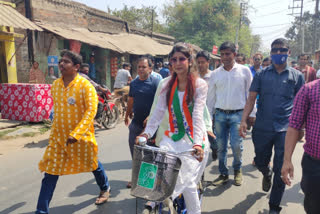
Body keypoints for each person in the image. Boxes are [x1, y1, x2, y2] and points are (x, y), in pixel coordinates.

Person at [35, 50, 111, 214]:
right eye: (61, 61)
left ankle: (105, 188)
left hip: (81, 138)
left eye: (66, 62)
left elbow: (91, 112)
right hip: (58, 138)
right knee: (50, 173)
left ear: (76, 67)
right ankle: (41, 211)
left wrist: (76, 134)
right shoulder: (55, 85)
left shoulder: (85, 86)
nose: (61, 64)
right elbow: (57, 109)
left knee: (93, 164)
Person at [137, 43, 209, 214]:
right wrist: (146, 134)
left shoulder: (199, 85)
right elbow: (158, 113)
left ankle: (180, 206)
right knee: (162, 167)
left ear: (189, 61)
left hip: (194, 140)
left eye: (182, 59)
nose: (178, 63)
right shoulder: (166, 84)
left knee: (188, 182)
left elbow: (198, 116)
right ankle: (158, 200)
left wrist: (198, 144)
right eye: (174, 60)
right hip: (172, 137)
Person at [239, 38, 304, 214]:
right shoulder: (261, 75)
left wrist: (301, 128)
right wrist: (244, 120)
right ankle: (265, 173)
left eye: (281, 50)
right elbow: (251, 99)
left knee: (280, 167)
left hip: (286, 130)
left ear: (288, 52)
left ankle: (274, 207)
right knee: (260, 160)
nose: (277, 53)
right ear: (270, 52)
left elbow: (302, 105)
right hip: (262, 127)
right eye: (274, 50)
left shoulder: (297, 76)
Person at [207, 42, 254, 187]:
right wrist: (208, 119)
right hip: (220, 115)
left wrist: (251, 115)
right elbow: (211, 98)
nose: (224, 57)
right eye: (222, 54)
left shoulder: (244, 71)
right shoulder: (215, 74)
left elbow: (250, 95)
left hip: (238, 115)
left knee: (235, 145)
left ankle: (237, 170)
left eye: (228, 54)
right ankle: (223, 174)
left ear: (234, 54)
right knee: (221, 146)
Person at [281, 79, 320, 214]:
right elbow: (294, 126)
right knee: (314, 206)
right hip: (315, 164)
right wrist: (287, 160)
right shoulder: (309, 90)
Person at [124, 56, 160, 188]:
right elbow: (131, 100)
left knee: (151, 154)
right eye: (139, 67)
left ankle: (150, 180)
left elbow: (160, 103)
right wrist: (127, 115)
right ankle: (136, 178)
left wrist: (151, 116)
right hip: (136, 123)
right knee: (135, 152)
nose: (141, 69)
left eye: (144, 67)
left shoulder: (156, 83)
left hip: (151, 126)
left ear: (150, 69)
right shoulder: (134, 83)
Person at [196, 50, 218, 161]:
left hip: (212, 112)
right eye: (198, 62)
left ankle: (215, 149)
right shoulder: (194, 76)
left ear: (208, 62)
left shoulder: (214, 76)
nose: (200, 65)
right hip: (198, 112)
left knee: (212, 138)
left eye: (202, 62)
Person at [79, 63, 109, 128]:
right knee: (99, 104)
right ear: (80, 69)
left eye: (87, 70)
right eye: (85, 70)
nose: (86, 71)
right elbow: (93, 83)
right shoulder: (83, 76)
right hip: (82, 96)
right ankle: (95, 120)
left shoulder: (77, 75)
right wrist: (102, 89)